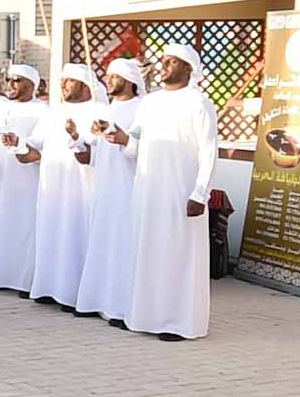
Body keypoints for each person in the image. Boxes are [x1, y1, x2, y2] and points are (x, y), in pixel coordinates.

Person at [124, 46, 219, 340]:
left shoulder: (198, 103)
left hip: (181, 192)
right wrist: (117, 135)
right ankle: (145, 316)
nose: (163, 66)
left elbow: (209, 150)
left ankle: (179, 322)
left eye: (171, 62)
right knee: (149, 250)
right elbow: (134, 143)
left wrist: (200, 193)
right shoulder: (149, 102)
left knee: (178, 255)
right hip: (149, 191)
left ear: (188, 68)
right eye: (163, 61)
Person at [25, 65, 104, 310]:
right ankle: (48, 288)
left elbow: (95, 151)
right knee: (51, 234)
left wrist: (77, 138)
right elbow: (34, 145)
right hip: (53, 187)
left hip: (82, 188)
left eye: (69, 81)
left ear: (84, 84)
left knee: (76, 235)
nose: (63, 85)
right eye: (62, 81)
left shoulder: (100, 111)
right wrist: (16, 145)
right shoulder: (54, 112)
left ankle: (74, 293)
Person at [72, 59, 146, 322]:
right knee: (102, 241)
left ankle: (121, 306)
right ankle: (98, 300)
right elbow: (96, 150)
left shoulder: (142, 108)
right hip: (104, 188)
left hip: (128, 188)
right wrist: (81, 144)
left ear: (130, 81)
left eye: (115, 77)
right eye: (109, 76)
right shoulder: (108, 108)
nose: (109, 80)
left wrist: (122, 137)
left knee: (122, 244)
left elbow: (140, 145)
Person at [0, 64, 46, 294]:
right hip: (1, 183)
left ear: (32, 85)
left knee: (26, 231)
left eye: (17, 80)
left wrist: (19, 143)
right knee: (0, 227)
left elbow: (39, 146)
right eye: (10, 79)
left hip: (28, 183)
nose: (11, 84)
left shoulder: (43, 111)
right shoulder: (2, 110)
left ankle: (25, 282)